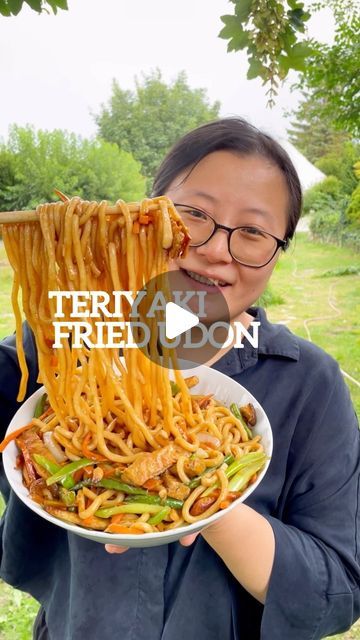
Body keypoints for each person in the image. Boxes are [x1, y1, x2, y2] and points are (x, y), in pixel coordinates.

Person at [0, 117, 359, 640]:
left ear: (277, 253)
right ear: (144, 217)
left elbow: (338, 587)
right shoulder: (66, 341)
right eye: (193, 214)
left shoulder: (310, 384)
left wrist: (202, 501)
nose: (215, 248)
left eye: (254, 231)